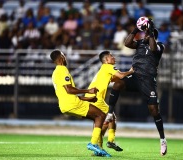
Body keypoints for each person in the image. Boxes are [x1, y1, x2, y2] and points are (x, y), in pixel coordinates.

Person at [106, 19, 167, 156]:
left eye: (147, 35)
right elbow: (127, 43)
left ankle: (162, 139)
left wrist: (150, 31)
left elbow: (152, 48)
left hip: (148, 80)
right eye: (144, 34)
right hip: (135, 76)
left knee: (154, 110)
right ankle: (110, 113)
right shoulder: (140, 43)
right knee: (118, 83)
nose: (144, 36)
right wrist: (135, 29)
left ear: (153, 36)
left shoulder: (159, 46)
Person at [50, 49, 111, 157]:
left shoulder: (55, 73)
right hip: (72, 103)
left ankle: (99, 149)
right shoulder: (62, 70)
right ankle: (93, 144)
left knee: (96, 118)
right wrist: (88, 91)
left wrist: (88, 99)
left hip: (65, 105)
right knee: (101, 115)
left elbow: (67, 94)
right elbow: (69, 90)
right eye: (64, 55)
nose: (65, 58)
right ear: (61, 58)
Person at [85, 51, 134, 156]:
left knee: (104, 120)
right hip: (96, 98)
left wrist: (126, 75)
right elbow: (120, 76)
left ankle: (99, 148)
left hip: (92, 98)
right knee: (109, 117)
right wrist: (131, 71)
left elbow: (116, 78)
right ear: (106, 60)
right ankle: (108, 142)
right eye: (111, 56)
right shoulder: (108, 67)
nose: (113, 57)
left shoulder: (104, 69)